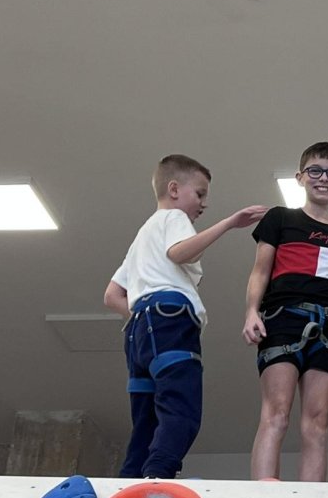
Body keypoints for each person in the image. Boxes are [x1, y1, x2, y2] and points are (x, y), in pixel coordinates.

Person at [105, 154, 266, 478]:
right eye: (200, 193)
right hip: (170, 319)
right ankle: (158, 476)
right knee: (181, 409)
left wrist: (144, 316)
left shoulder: (142, 236)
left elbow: (111, 295)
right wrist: (229, 223)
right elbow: (180, 252)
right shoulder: (175, 218)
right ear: (174, 189)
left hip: (139, 332)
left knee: (147, 419)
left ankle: (132, 479)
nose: (204, 203)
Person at [243, 142, 328, 482]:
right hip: (283, 319)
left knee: (317, 422)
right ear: (300, 177)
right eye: (315, 170)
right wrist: (251, 311)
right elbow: (260, 271)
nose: (323, 178)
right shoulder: (280, 218)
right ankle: (263, 494)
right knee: (276, 413)